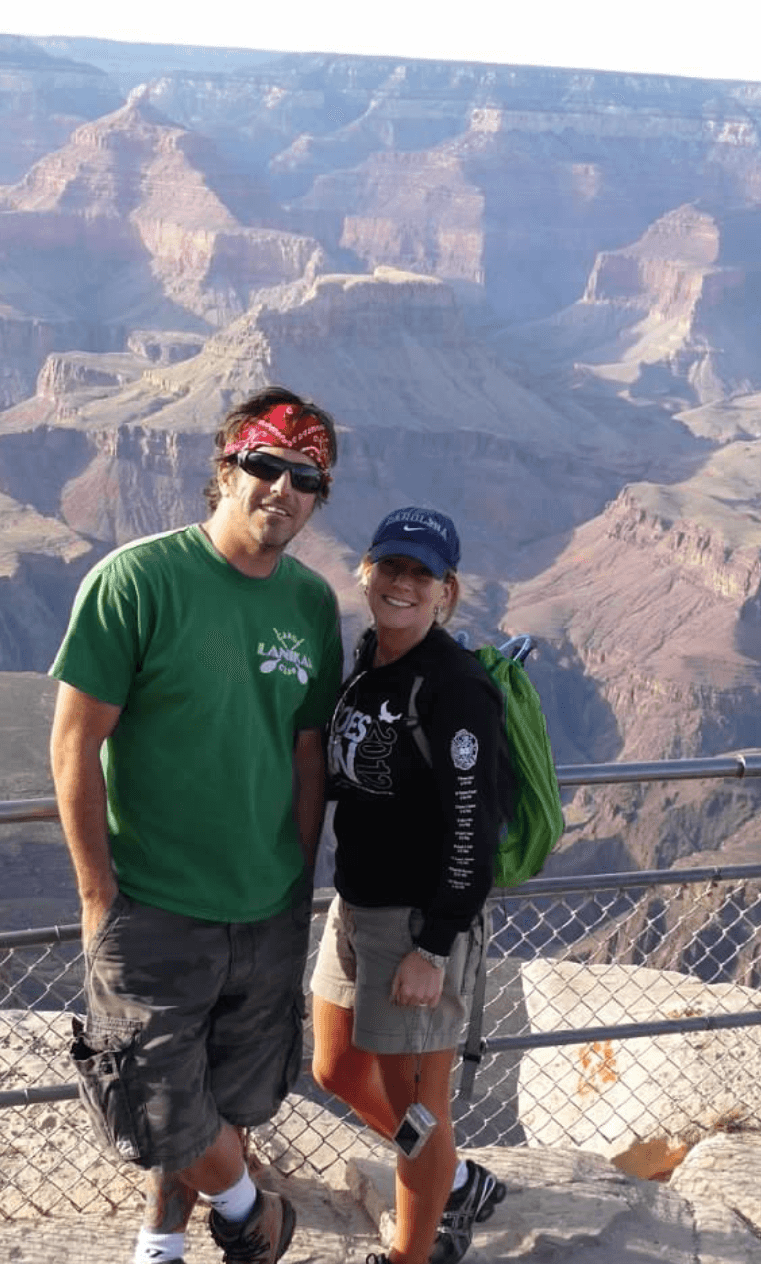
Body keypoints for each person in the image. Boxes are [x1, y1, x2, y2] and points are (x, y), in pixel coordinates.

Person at [49, 387, 342, 1264]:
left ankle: (164, 1246)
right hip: (154, 905)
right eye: (264, 466)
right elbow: (73, 750)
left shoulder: (313, 605)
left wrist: (295, 878)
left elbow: (305, 757)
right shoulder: (137, 581)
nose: (281, 489)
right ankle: (258, 1212)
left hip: (266, 907)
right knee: (158, 1106)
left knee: (230, 1103)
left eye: (305, 477)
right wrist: (99, 896)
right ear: (224, 469)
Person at [310, 507, 515, 1264]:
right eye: (390, 566)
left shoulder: (455, 688)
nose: (402, 583)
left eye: (421, 574)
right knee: (334, 1068)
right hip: (354, 905)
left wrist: (433, 946)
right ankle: (454, 1181)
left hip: (414, 924)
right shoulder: (370, 658)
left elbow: (472, 828)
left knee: (416, 1112)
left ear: (447, 591)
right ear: (366, 571)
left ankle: (415, 1252)